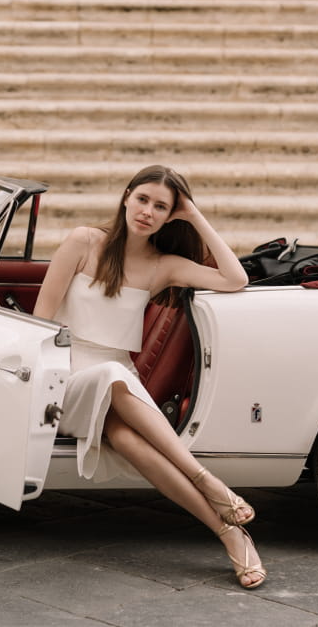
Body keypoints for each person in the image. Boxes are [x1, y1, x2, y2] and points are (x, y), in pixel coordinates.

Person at [33, 165, 265, 589]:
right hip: (66, 376)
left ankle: (231, 533)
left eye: (162, 207)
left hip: (117, 377)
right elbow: (41, 321)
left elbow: (236, 278)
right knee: (110, 376)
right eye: (143, 199)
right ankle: (207, 480)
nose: (148, 212)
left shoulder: (164, 266)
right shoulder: (83, 241)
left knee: (124, 436)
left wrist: (195, 216)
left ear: (170, 216)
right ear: (126, 197)